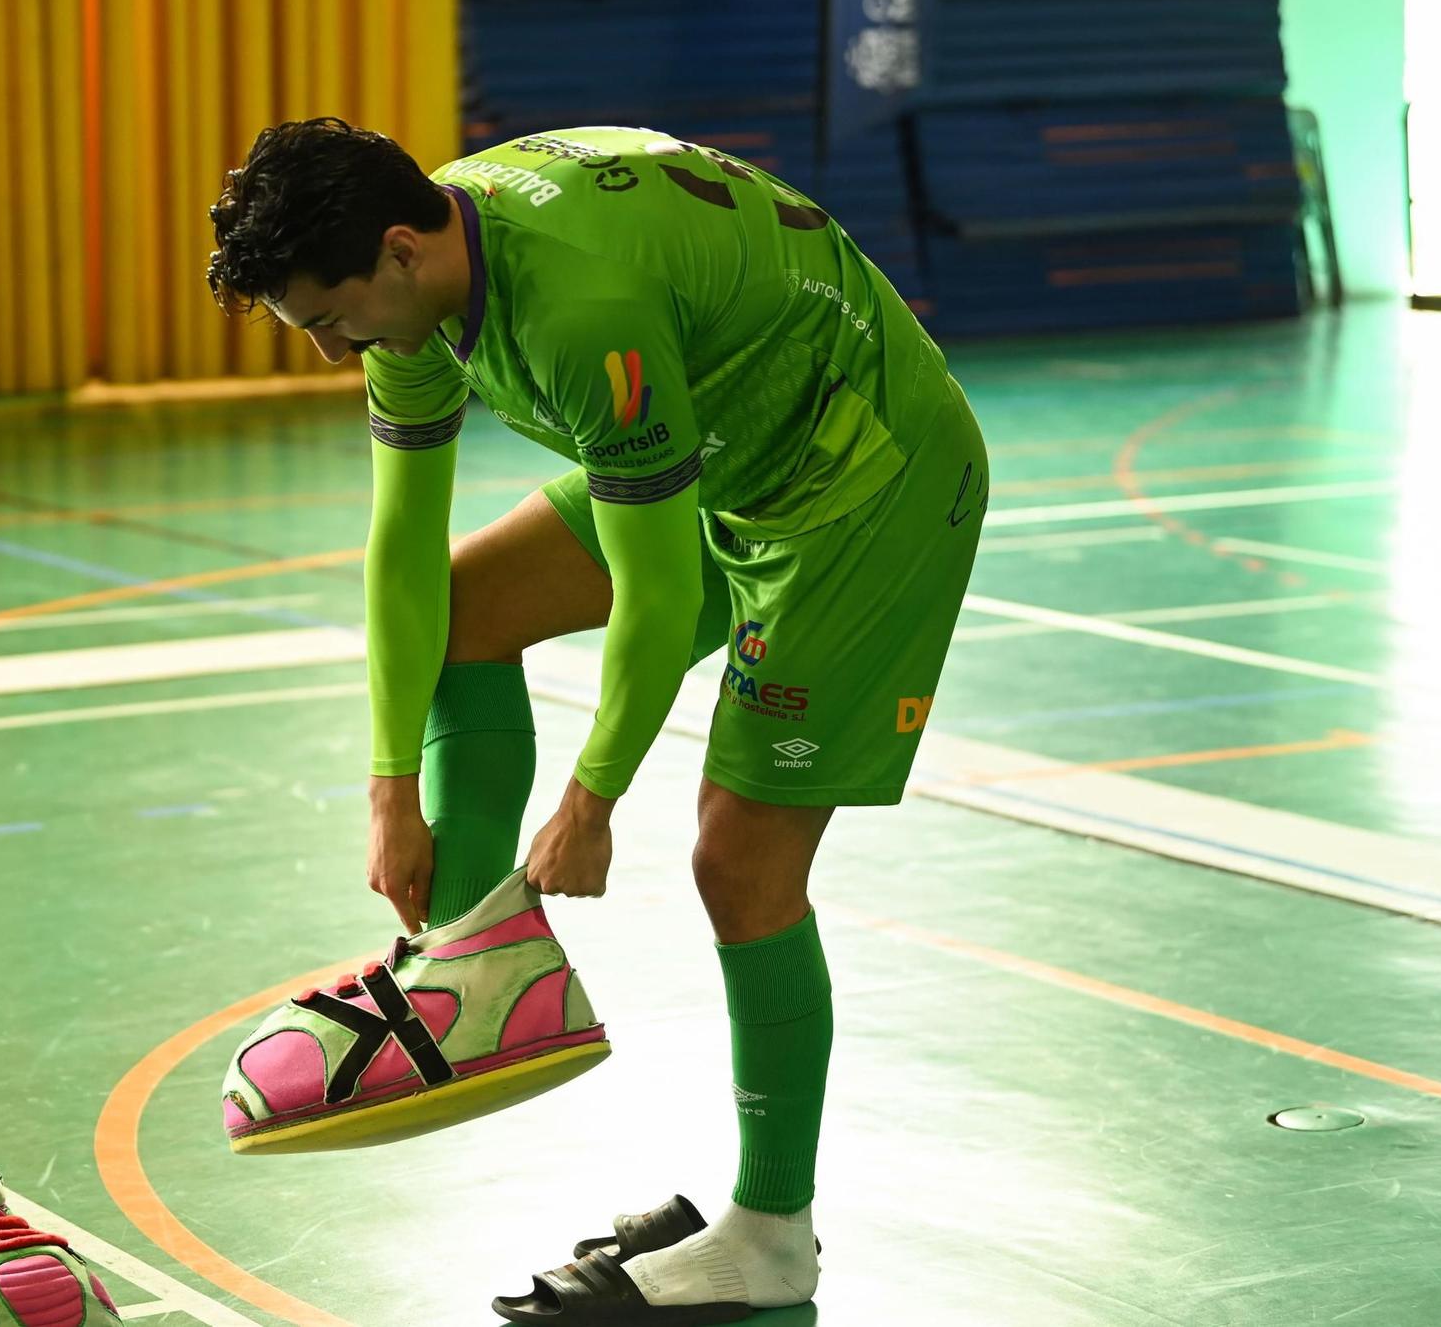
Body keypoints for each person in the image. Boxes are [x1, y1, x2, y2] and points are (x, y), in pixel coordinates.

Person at [207, 117, 988, 1322]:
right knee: (470, 607)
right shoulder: (421, 280)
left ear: (402, 252)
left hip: (859, 487)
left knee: (739, 859)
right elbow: (405, 558)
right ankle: (473, 967)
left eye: (331, 317)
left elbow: (659, 583)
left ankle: (771, 1235)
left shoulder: (576, 311)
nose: (329, 348)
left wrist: (591, 798)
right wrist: (387, 788)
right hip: (724, 447)